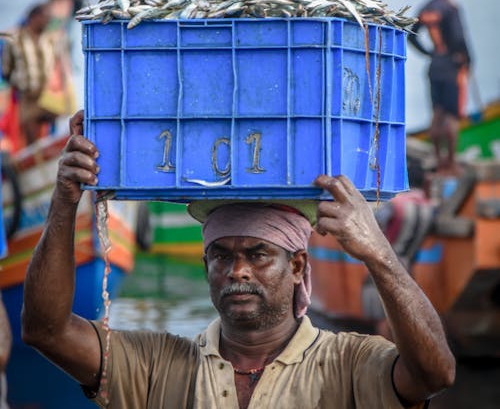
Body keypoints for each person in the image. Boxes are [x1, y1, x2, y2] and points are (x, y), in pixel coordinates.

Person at [21, 110, 455, 408]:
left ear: (298, 266)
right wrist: (64, 199)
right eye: (221, 255)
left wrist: (379, 254)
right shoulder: (158, 365)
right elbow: (46, 331)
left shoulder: (347, 363)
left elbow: (434, 375)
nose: (237, 270)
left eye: (258, 254)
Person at [409, 0, 472, 174]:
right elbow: (458, 39)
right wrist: (467, 61)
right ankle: (451, 163)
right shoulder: (450, 8)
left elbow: (411, 33)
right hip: (451, 66)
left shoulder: (429, 6)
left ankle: (438, 159)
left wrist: (429, 53)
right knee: (452, 116)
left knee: (437, 114)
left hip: (435, 66)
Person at [1, 3, 58, 145]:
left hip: (47, 95)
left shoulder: (49, 38)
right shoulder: (16, 38)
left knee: (50, 131)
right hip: (26, 95)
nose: (48, 21)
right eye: (45, 18)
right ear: (34, 17)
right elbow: (6, 69)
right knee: (30, 137)